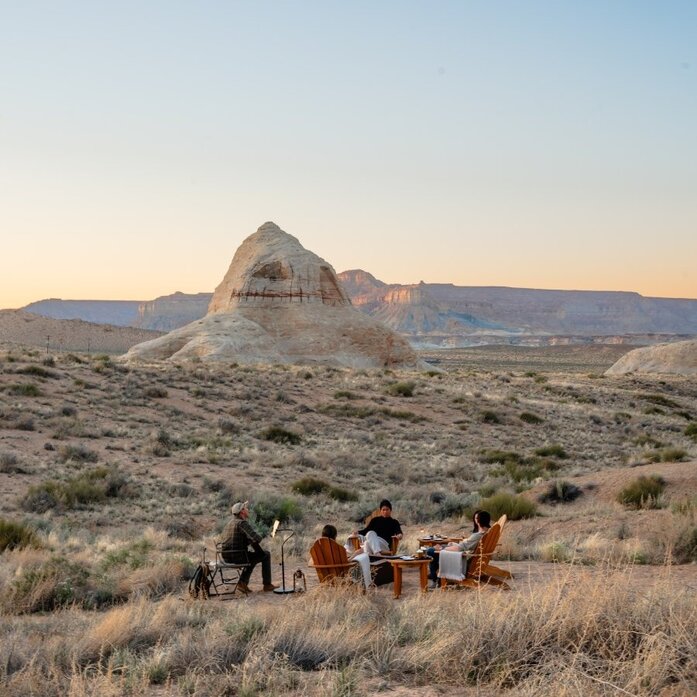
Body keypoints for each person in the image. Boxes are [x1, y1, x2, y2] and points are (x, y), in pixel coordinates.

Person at [220, 501, 277, 593]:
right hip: (237, 556)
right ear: (242, 511)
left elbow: (237, 540)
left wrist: (249, 541)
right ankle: (267, 585)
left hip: (227, 556)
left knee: (254, 557)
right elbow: (257, 538)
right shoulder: (242, 523)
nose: (248, 510)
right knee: (266, 555)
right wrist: (266, 534)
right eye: (246, 508)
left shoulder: (230, 523)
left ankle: (243, 583)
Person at [426, 510, 492, 588]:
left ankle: (436, 578)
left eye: (477, 518)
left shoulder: (478, 535)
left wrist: (441, 549)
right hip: (467, 555)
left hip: (462, 560)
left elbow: (460, 548)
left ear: (478, 520)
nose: (475, 520)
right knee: (435, 551)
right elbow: (465, 546)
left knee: (431, 551)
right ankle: (435, 576)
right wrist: (450, 546)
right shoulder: (486, 533)